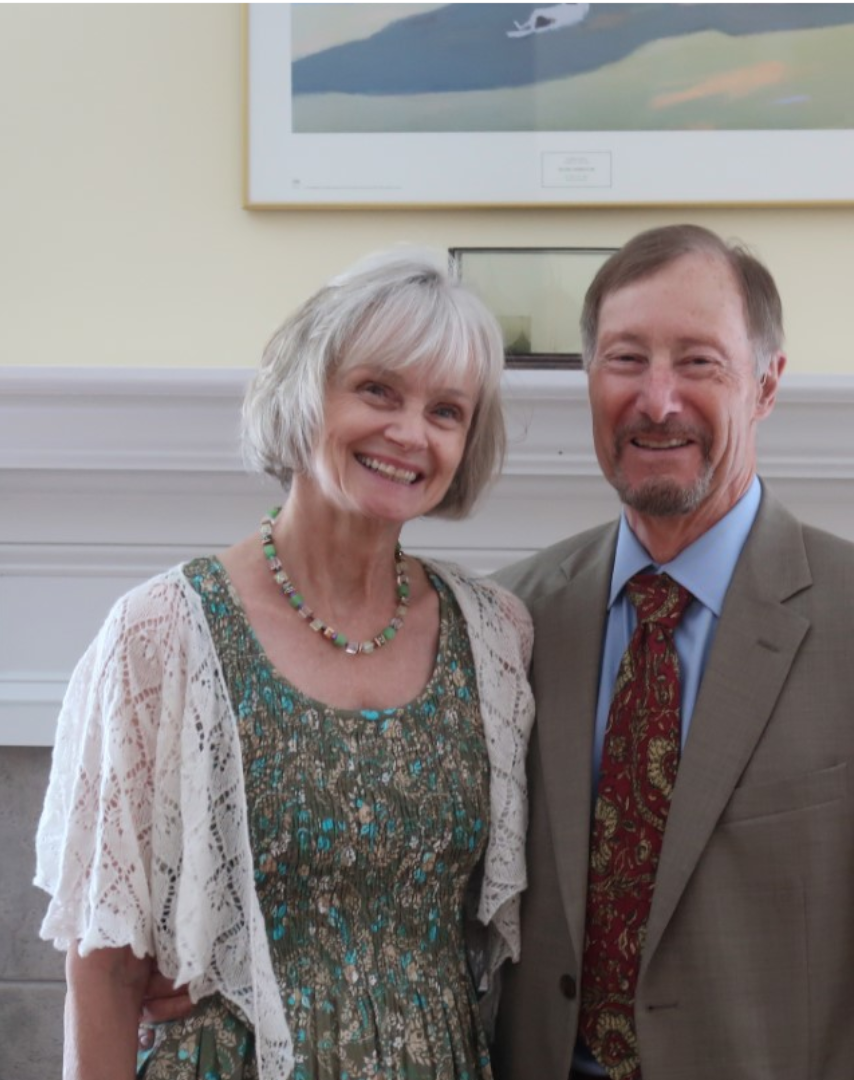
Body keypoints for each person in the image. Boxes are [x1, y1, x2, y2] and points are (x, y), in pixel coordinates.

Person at [490, 224, 854, 1079]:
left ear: (767, 385)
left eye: (699, 362)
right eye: (626, 360)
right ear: (590, 381)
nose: (657, 400)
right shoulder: (510, 620)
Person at [34, 251, 535, 1080]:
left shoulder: (498, 637)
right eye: (378, 390)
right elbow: (107, 963)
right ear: (306, 391)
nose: (409, 432)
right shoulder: (163, 633)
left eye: (445, 410)